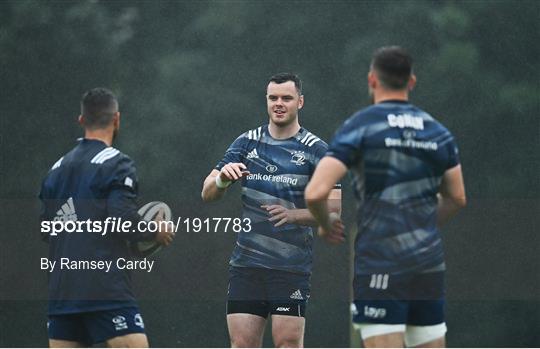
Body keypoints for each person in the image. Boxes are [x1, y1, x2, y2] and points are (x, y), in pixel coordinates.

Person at [305, 46, 466, 348]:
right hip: (427, 264)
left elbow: (315, 192)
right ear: (412, 82)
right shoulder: (438, 132)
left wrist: (325, 224)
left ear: (372, 80)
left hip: (381, 261)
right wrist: (421, 225)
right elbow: (457, 198)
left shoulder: (362, 126)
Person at [201, 73, 341, 348]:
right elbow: (207, 193)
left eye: (286, 98)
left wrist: (294, 215)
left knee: (287, 343)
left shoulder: (318, 150)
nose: (279, 103)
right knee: (242, 344)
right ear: (266, 101)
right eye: (273, 98)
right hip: (246, 266)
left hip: (290, 268)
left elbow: (334, 210)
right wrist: (221, 180)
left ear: (300, 102)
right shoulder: (246, 143)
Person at [38, 88, 175, 348]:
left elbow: (46, 230)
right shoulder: (116, 163)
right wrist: (154, 232)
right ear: (116, 119)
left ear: (82, 121)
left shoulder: (55, 170)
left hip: (62, 292)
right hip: (104, 288)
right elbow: (121, 220)